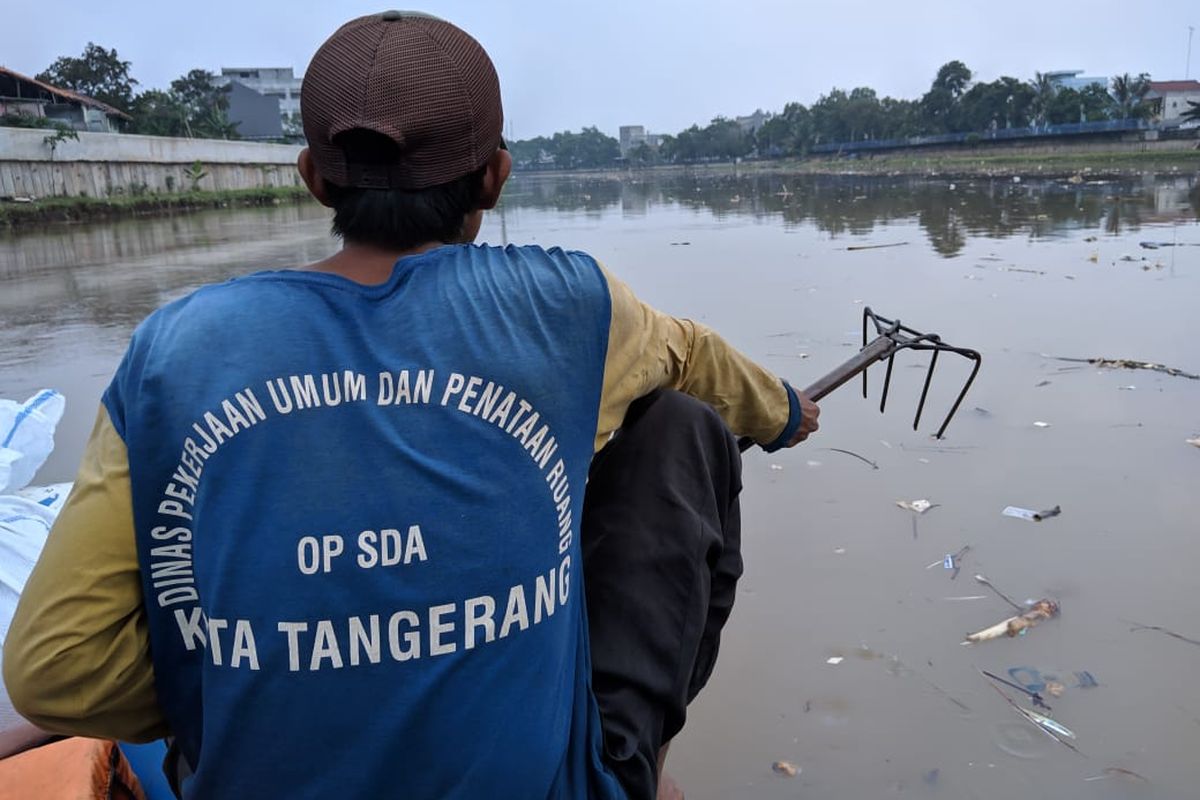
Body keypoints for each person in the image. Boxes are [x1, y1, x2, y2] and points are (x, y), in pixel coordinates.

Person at [3, 11, 818, 800]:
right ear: (495, 178)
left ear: (313, 178)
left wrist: (262, 675)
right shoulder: (572, 308)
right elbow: (692, 354)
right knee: (681, 424)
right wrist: (783, 413)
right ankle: (633, 774)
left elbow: (57, 671)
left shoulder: (176, 348)